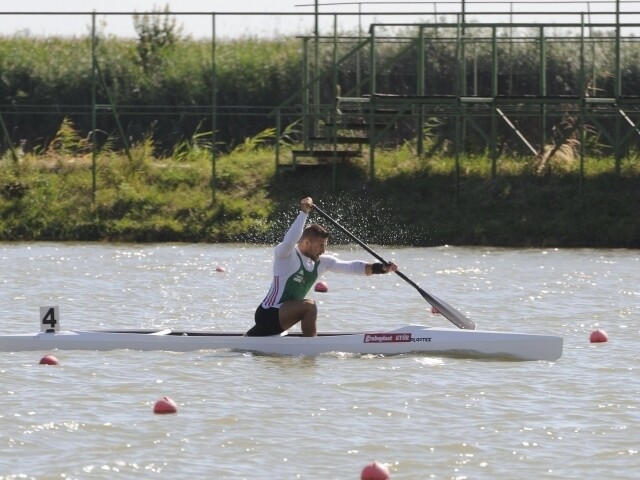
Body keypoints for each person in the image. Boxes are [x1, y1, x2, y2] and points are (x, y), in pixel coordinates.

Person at [245, 197, 398, 337]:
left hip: (280, 317)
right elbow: (289, 241)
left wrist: (381, 268)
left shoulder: (322, 262)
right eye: (320, 246)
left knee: (250, 340)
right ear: (306, 243)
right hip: (268, 314)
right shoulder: (286, 255)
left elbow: (352, 267)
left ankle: (250, 340)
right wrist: (303, 213)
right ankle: (310, 348)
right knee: (309, 306)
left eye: (325, 246)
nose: (323, 250)